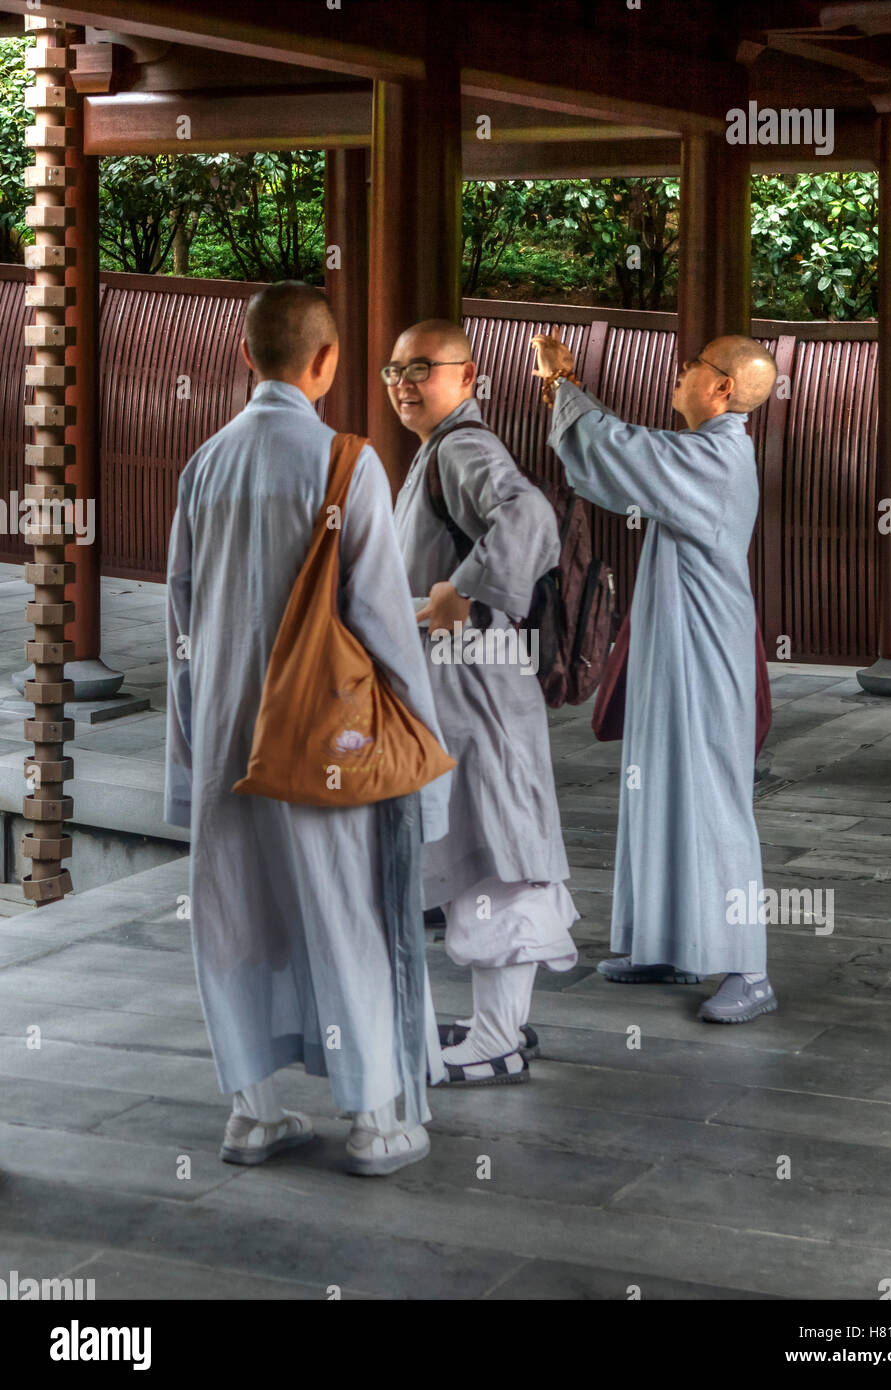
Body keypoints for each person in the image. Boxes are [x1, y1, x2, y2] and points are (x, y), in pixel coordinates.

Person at [165, 281, 451, 1173]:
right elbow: (381, 623)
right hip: (326, 745)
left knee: (236, 918)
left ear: (247, 356)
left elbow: (180, 624)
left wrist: (186, 762)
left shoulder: (203, 464)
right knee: (344, 916)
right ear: (326, 364)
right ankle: (375, 1122)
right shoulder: (345, 462)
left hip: (224, 736)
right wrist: (421, 767)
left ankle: (252, 1115)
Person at [532, 331, 778, 1023]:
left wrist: (563, 384)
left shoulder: (718, 454)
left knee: (713, 801)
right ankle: (666, 945)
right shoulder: (707, 452)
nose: (680, 372)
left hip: (705, 659)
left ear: (722, 388)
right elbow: (623, 461)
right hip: (679, 655)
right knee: (660, 786)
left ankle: (749, 969)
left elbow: (624, 451)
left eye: (694, 365)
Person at [389, 319, 578, 1084]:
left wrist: (459, 593)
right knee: (485, 847)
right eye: (394, 369)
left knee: (498, 856)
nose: (405, 382)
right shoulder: (440, 448)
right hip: (463, 685)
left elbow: (530, 518)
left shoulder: (465, 446)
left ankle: (499, 1040)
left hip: (479, 684)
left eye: (423, 368)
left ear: (467, 378)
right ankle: (500, 1024)